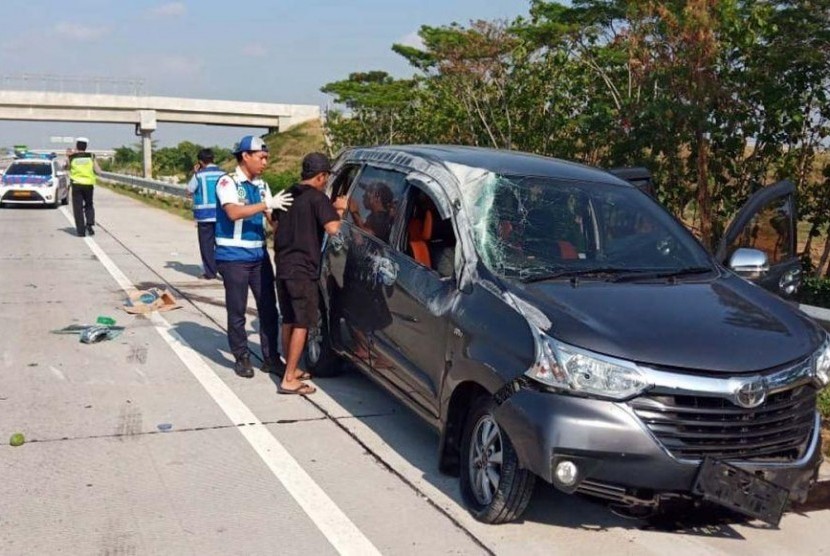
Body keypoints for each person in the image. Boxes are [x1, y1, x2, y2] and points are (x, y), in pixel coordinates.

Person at [215, 135, 293, 378]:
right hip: (233, 257)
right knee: (237, 309)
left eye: (267, 158)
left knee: (269, 308)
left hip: (258, 255)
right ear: (245, 156)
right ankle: (242, 357)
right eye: (261, 157)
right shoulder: (227, 182)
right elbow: (234, 213)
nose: (265, 162)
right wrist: (265, 205)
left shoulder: (262, 185)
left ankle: (271, 357)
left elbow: (271, 220)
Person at [272, 152, 348, 395]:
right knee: (303, 322)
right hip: (303, 269)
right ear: (321, 176)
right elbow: (334, 230)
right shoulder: (318, 199)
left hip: (283, 264)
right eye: (325, 177)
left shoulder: (286, 193)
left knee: (289, 319)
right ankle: (289, 379)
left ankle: (289, 369)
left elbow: (274, 224)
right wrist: (342, 211)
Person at [186, 148, 224, 279]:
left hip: (204, 216)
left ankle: (210, 272)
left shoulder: (199, 175)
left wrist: (195, 172)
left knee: (206, 245)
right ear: (213, 159)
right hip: (222, 215)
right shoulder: (224, 174)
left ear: (200, 162)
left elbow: (189, 190)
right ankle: (226, 271)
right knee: (223, 244)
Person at [68, 137, 102, 237]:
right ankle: (89, 225)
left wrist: (68, 157)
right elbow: (97, 170)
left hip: (76, 185)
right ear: (86, 147)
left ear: (77, 146)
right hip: (88, 185)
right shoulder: (91, 156)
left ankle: (81, 231)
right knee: (89, 205)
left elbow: (66, 167)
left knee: (78, 208)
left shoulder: (72, 157)